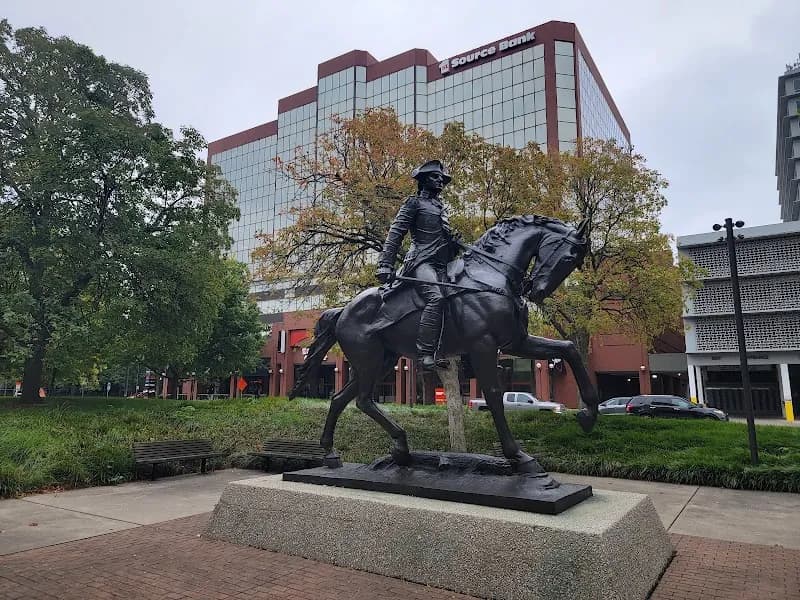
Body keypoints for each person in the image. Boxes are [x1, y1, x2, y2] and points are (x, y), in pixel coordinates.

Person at [376, 160, 462, 371]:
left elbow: (441, 239)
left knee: (463, 298)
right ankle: (425, 354)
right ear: (423, 181)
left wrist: (453, 242)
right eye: (435, 176)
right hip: (421, 261)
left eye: (442, 178)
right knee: (436, 298)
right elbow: (396, 232)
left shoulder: (440, 208)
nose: (440, 180)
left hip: (442, 263)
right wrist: (385, 264)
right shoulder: (413, 203)